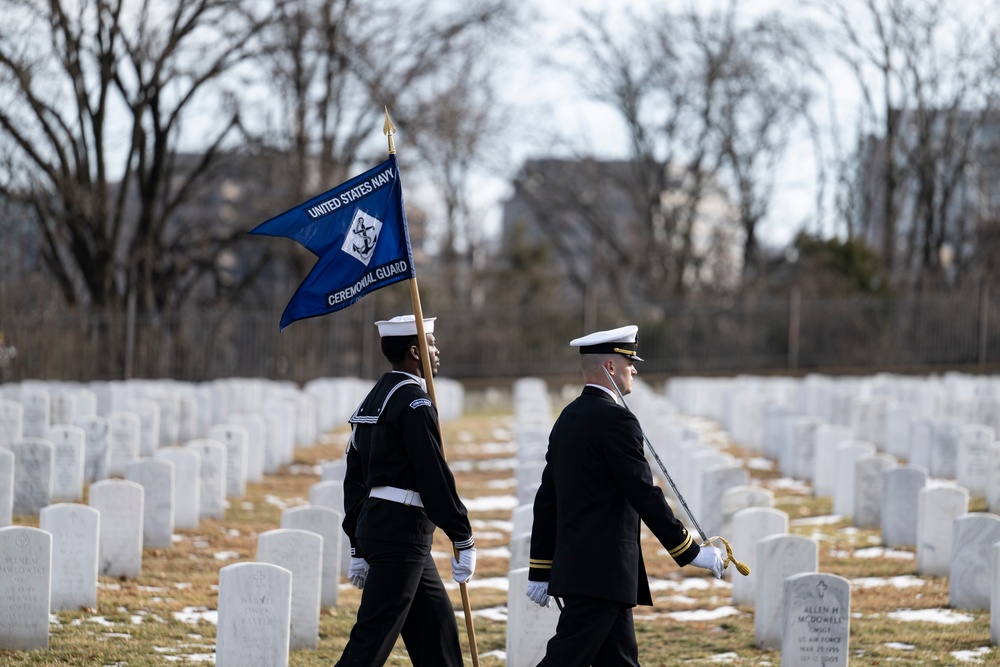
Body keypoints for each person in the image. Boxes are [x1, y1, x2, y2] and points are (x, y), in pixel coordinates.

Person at [526, 324, 724, 666]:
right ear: (610, 367)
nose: (634, 369)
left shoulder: (568, 418)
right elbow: (644, 493)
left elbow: (547, 498)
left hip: (590, 573)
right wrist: (689, 551)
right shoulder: (616, 420)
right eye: (629, 361)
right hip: (601, 574)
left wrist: (541, 567)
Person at [338, 314, 476, 667]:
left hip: (384, 527)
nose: (437, 350)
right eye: (431, 345)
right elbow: (433, 474)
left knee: (437, 632)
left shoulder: (374, 399)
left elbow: (353, 478)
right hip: (401, 533)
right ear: (415, 352)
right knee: (371, 640)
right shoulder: (415, 401)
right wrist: (462, 536)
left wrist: (357, 539)